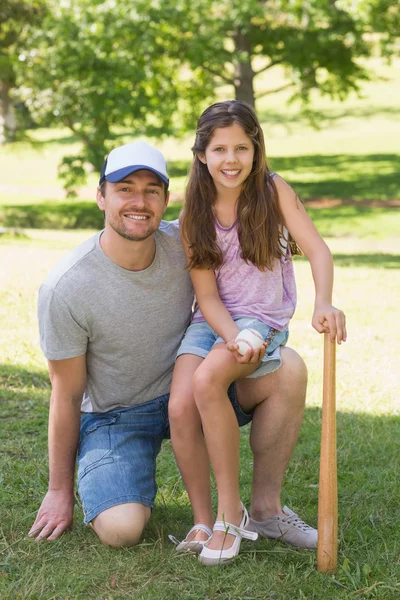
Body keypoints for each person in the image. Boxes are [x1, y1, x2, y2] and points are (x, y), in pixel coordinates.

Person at [29, 139, 310, 551]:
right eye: (124, 189)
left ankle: (267, 510)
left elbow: (251, 255)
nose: (138, 201)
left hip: (193, 392)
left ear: (165, 200)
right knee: (121, 530)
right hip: (117, 415)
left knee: (288, 367)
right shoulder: (66, 287)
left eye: (151, 191)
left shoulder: (189, 242)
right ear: (100, 196)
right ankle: (138, 487)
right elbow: (67, 394)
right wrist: (58, 489)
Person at [168, 100, 346, 566]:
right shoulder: (194, 212)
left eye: (242, 148)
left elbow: (318, 250)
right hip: (213, 322)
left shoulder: (273, 191)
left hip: (260, 320)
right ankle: (205, 519)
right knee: (180, 403)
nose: (232, 159)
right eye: (220, 148)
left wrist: (322, 301)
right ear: (202, 154)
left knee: (208, 381)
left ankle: (234, 516)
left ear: (256, 148)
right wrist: (229, 338)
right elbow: (206, 298)